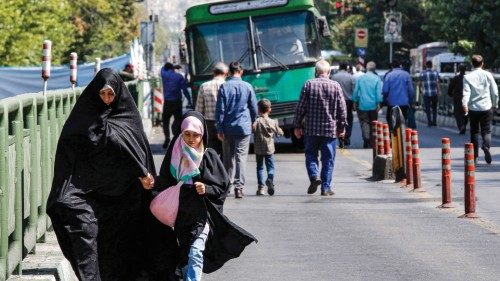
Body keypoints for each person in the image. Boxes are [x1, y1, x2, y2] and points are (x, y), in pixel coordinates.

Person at [46, 68, 158, 280]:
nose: (106, 99)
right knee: (82, 228)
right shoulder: (82, 118)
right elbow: (67, 154)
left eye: (111, 95)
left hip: (122, 193)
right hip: (83, 191)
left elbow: (135, 150)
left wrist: (144, 174)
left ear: (118, 94)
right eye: (102, 94)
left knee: (121, 251)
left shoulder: (127, 117)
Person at [154, 111, 257, 281]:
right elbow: (165, 181)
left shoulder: (208, 156)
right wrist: (152, 184)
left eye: (196, 135)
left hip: (202, 214)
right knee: (186, 252)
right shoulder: (175, 153)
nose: (191, 139)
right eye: (187, 134)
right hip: (180, 215)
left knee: (195, 251)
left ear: (202, 135)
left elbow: (222, 186)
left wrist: (206, 188)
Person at [293, 60, 347, 196]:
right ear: (329, 72)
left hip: (311, 130)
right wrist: (342, 127)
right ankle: (325, 187)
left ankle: (314, 176)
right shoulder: (335, 86)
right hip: (330, 130)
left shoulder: (308, 85)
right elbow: (342, 109)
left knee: (311, 155)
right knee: (328, 159)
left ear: (316, 72)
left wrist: (297, 126)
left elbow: (300, 108)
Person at [215, 61, 258, 199]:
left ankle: (227, 187)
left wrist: (219, 128)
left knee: (228, 159)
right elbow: (253, 107)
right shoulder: (248, 86)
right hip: (243, 127)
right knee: (241, 157)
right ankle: (239, 188)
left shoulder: (224, 87)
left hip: (227, 128)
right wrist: (253, 121)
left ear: (229, 72)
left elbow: (220, 110)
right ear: (241, 72)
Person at [462, 55, 499, 164]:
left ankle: (475, 157)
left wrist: (464, 105)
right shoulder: (488, 75)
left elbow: (466, 93)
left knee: (474, 132)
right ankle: (486, 146)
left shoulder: (467, 77)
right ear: (482, 63)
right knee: (486, 130)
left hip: (473, 108)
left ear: (472, 64)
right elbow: (495, 92)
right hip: (486, 107)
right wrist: (495, 104)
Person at [195, 62, 228, 155]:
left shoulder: (204, 86)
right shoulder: (227, 86)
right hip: (225, 122)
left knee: (211, 151)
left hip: (209, 124)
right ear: (226, 73)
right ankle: (223, 168)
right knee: (226, 151)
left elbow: (199, 109)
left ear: (214, 73)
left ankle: (212, 168)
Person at [253, 99, 284, 196]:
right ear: (269, 109)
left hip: (258, 149)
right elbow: (279, 132)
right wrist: (280, 131)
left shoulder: (257, 121)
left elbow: (252, 129)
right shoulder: (272, 121)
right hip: (269, 149)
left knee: (260, 168)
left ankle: (261, 188)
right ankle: (270, 179)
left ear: (258, 110)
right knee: (270, 167)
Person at [161, 62, 193, 149]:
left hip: (167, 102)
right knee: (178, 120)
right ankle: (176, 137)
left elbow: (163, 68)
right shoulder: (179, 77)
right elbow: (185, 90)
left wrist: (173, 66)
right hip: (177, 102)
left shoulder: (164, 74)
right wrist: (190, 100)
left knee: (165, 120)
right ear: (173, 69)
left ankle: (167, 138)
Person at [352, 61, 382, 148]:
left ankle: (366, 139)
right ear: (374, 69)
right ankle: (372, 141)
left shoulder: (361, 78)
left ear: (366, 68)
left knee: (364, 122)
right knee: (373, 123)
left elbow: (356, 92)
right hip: (373, 106)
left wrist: (354, 102)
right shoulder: (377, 78)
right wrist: (378, 103)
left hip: (362, 105)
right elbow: (378, 94)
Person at [382, 60, 415, 130]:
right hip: (404, 104)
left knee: (391, 121)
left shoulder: (389, 75)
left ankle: (393, 136)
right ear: (400, 66)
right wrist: (410, 101)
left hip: (392, 104)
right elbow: (411, 90)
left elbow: (385, 90)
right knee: (403, 122)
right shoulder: (406, 75)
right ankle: (402, 136)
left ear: (392, 66)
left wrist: (384, 100)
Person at [330, 62, 355, 147]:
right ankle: (346, 138)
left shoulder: (334, 77)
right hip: (348, 102)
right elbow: (354, 91)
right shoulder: (351, 77)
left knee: (337, 119)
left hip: (336, 101)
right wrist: (355, 103)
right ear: (347, 67)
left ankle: (340, 139)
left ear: (339, 67)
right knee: (348, 120)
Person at [447, 64, 468, 134]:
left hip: (458, 99)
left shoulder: (456, 78)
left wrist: (450, 94)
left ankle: (461, 126)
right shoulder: (469, 78)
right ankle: (464, 125)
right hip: (467, 98)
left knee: (458, 114)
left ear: (459, 69)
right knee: (465, 113)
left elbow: (450, 88)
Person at [419, 60, 441, 126]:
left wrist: (420, 90)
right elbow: (437, 83)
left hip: (426, 93)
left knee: (427, 108)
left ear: (426, 65)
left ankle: (429, 122)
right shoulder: (435, 72)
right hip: (434, 93)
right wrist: (439, 90)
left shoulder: (422, 73)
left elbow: (420, 83)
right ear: (431, 65)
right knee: (434, 108)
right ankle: (434, 122)